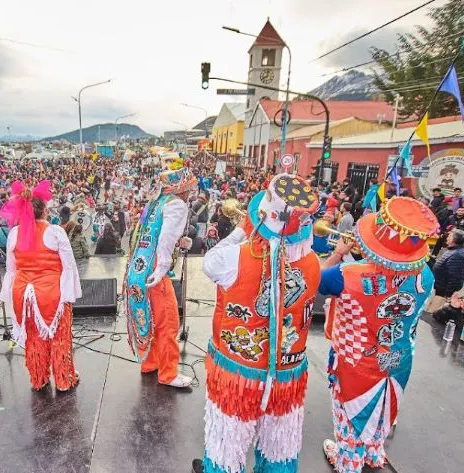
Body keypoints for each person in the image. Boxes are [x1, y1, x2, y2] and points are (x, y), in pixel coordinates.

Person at [192, 174, 321, 473]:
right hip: (288, 373)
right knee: (280, 447)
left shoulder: (236, 257)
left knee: (227, 445)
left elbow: (209, 260)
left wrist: (242, 230)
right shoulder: (313, 262)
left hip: (240, 372)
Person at [318, 196, 437, 473]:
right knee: (384, 409)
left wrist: (338, 252)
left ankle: (349, 461)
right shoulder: (427, 274)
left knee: (349, 414)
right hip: (397, 357)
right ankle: (373, 453)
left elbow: (316, 280)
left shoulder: (346, 274)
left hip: (356, 361)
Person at [0, 180, 81, 391]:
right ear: (44, 210)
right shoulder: (55, 232)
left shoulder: (14, 234)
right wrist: (69, 294)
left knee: (34, 337)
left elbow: (11, 269)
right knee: (59, 338)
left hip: (23, 294)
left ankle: (39, 378)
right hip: (50, 292)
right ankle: (64, 380)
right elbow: (69, 266)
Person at [123, 167, 197, 388]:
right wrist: (164, 265)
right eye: (189, 188)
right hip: (155, 270)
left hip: (138, 267)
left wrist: (178, 244)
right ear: (181, 188)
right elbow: (165, 238)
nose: (190, 193)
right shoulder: (176, 204)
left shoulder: (155, 203)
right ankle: (168, 373)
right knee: (168, 322)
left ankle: (150, 363)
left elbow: (146, 235)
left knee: (150, 317)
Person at [427, 229, 464, 313]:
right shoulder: (452, 250)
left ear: (455, 239)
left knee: (433, 313)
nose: (447, 238)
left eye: (450, 236)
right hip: (440, 290)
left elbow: (455, 278)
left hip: (443, 293)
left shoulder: (458, 255)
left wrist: (448, 294)